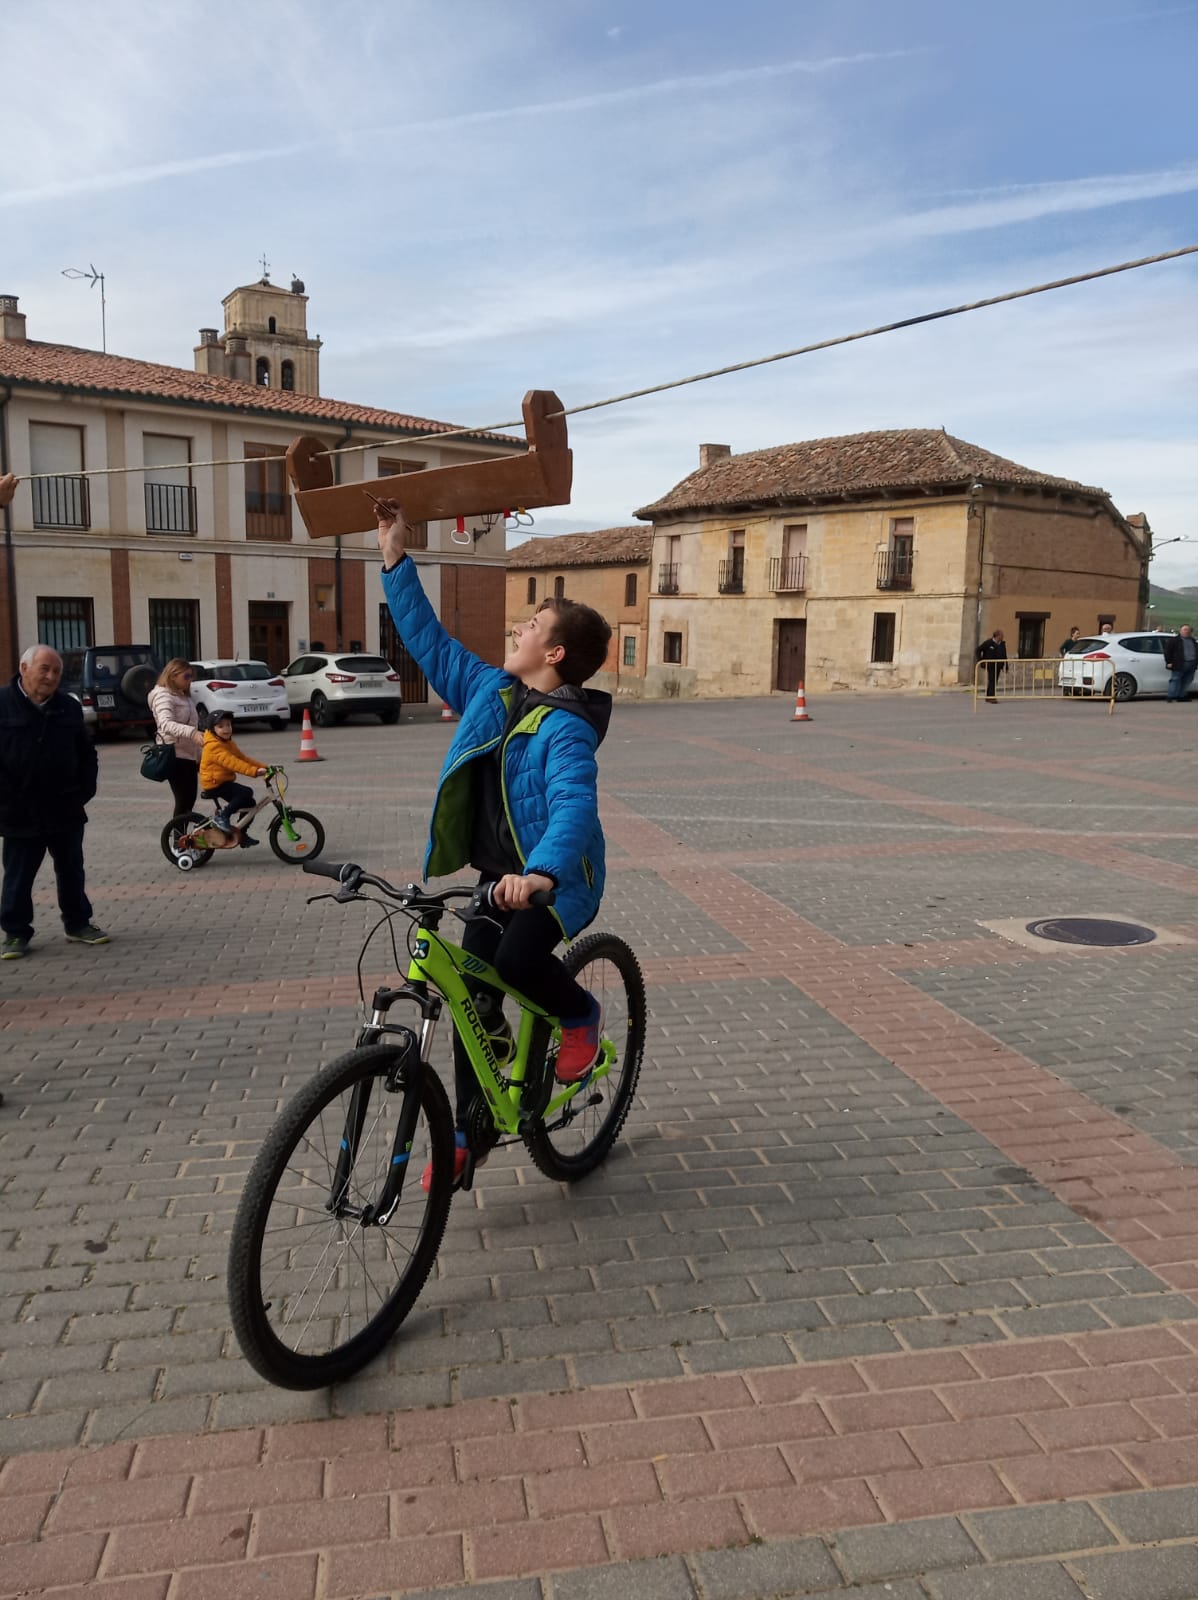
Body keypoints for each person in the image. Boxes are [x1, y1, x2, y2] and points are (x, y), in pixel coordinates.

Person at [376, 500, 612, 1189]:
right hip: (493, 878)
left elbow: (572, 809)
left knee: (513, 959)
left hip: (554, 881)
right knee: (466, 994)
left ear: (555, 653)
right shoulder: (490, 690)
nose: (517, 628)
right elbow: (431, 642)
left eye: (531, 626)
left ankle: (580, 1015)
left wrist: (540, 876)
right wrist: (394, 555)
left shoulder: (566, 729)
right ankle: (469, 1133)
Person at [0, 643, 107, 959]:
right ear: (24, 669)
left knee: (72, 870)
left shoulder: (69, 707)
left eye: (56, 671)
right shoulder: (3, 705)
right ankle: (16, 933)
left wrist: (83, 791)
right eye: (44, 669)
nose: (50, 676)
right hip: (20, 812)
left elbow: (87, 754)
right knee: (19, 875)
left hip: (65, 808)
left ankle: (78, 924)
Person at [198, 710, 267, 845]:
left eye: (228, 725)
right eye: (221, 726)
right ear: (212, 729)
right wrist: (254, 772)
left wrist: (265, 767)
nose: (226, 729)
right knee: (246, 792)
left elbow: (243, 758)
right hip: (214, 783)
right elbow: (232, 762)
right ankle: (223, 816)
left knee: (250, 804)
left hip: (223, 781)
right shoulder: (213, 746)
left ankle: (241, 835)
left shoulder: (228, 743)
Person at [148, 659, 204, 820]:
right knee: (183, 800)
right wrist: (192, 733)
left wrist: (199, 753)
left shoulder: (183, 696)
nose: (190, 680)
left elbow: (192, 723)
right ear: (173, 676)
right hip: (174, 753)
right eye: (186, 676)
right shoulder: (163, 696)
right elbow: (165, 724)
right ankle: (178, 842)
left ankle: (182, 840)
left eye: (191, 676)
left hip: (188, 755)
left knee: (189, 799)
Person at [1164, 624, 1198, 703]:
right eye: (1184, 630)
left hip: (1191, 663)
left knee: (1187, 680)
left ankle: (1181, 695)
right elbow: (1168, 652)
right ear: (1180, 631)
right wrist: (1169, 662)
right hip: (1179, 664)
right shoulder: (1174, 641)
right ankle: (1171, 696)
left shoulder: (1192, 640)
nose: (1186, 631)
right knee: (1175, 679)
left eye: (1188, 630)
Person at [977, 628, 1008, 703]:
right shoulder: (988, 643)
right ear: (997, 636)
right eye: (1001, 635)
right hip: (991, 665)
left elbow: (1004, 655)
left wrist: (1006, 666)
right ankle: (991, 697)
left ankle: (988, 697)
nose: (1003, 637)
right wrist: (981, 660)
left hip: (998, 665)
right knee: (992, 681)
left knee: (994, 681)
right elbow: (978, 649)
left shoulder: (1002, 644)